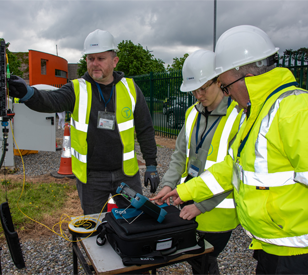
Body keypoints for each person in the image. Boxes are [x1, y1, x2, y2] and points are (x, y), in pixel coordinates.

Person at [161, 25, 308, 274]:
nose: (227, 93)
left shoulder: (295, 111)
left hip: (297, 254)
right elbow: (231, 167)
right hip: (272, 246)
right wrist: (183, 190)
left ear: (247, 78)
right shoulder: (255, 112)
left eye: (226, 86)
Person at [8, 29, 160, 215]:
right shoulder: (76, 88)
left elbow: (145, 128)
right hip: (91, 177)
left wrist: (151, 165)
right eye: (90, 58)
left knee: (132, 222)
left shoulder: (130, 88)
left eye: (100, 58)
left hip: (126, 175)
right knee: (94, 228)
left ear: (114, 61)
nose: (94, 63)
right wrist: (28, 93)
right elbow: (50, 100)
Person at [151, 49, 244, 274]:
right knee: (198, 263)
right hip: (188, 202)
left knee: (205, 261)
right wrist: (167, 186)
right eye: (194, 90)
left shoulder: (239, 116)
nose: (198, 95)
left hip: (217, 214)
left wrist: (200, 206)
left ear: (220, 81)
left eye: (204, 88)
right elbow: (179, 157)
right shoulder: (192, 113)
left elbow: (235, 171)